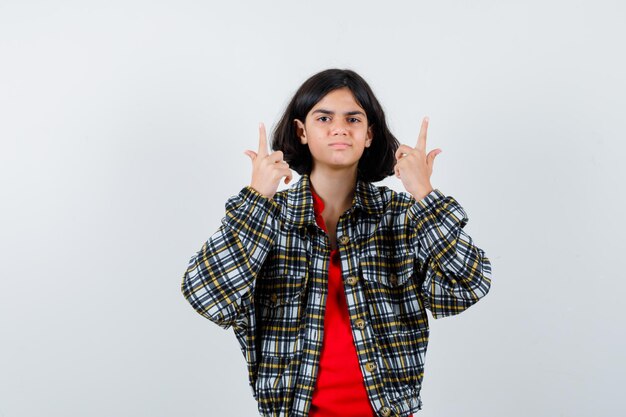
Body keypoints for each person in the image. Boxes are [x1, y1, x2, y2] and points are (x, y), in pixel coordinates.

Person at [180, 68, 492, 417]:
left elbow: (465, 287)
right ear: (302, 131)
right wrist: (257, 197)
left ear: (369, 134)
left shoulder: (401, 217)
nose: (340, 128)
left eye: (353, 119)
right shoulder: (268, 219)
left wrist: (424, 193)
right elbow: (207, 296)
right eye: (324, 117)